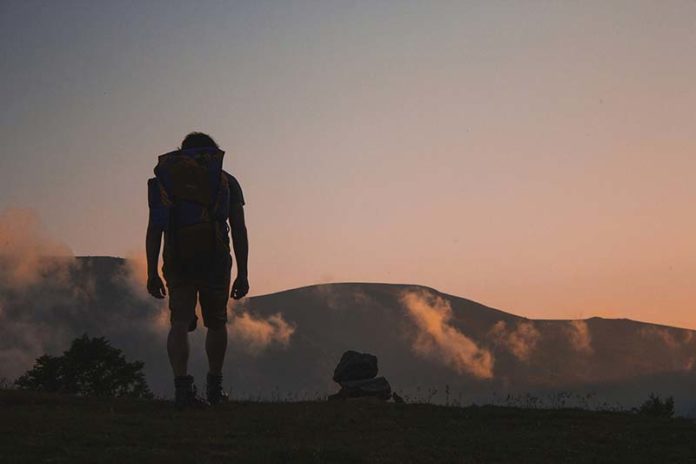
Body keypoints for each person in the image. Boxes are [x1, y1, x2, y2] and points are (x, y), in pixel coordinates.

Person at [145, 132, 249, 409]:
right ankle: (214, 389)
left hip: (177, 257)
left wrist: (151, 271)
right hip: (215, 258)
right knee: (216, 322)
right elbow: (238, 229)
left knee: (179, 322)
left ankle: (182, 390)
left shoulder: (167, 182)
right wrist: (243, 272)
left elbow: (155, 229)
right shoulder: (225, 182)